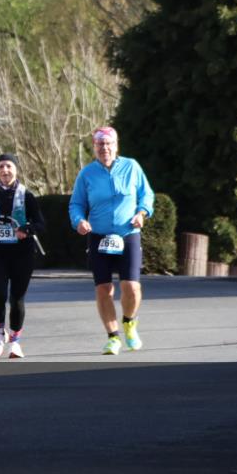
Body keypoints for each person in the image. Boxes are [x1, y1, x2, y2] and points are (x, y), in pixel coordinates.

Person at [68, 127, 154, 356]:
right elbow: (76, 204)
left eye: (108, 144)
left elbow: (147, 194)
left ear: (116, 145)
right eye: (100, 145)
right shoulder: (86, 174)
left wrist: (142, 213)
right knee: (104, 289)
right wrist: (79, 220)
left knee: (132, 287)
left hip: (128, 234)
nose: (104, 148)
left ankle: (129, 322)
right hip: (99, 237)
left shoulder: (132, 166)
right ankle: (113, 337)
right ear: (94, 147)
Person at [0, 153, 45, 359]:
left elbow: (41, 223)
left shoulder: (27, 195)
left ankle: (15, 341)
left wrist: (27, 229)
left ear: (16, 169)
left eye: (8, 166)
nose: (5, 171)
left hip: (22, 254)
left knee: (17, 299)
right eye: (1, 167)